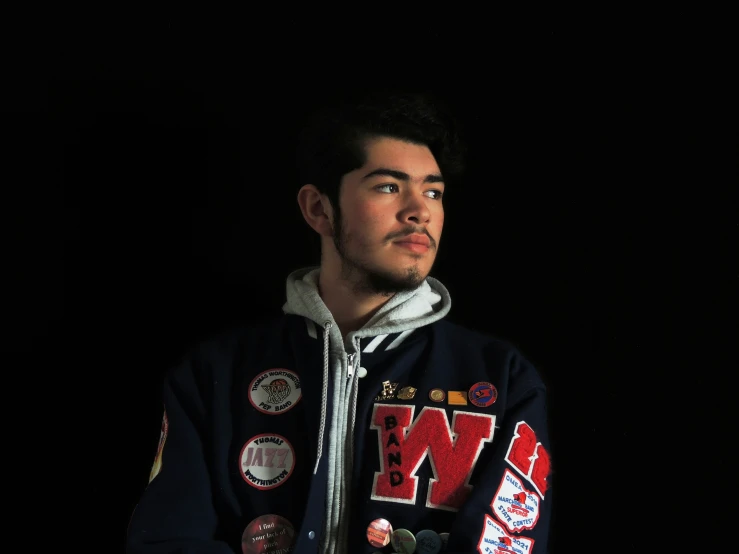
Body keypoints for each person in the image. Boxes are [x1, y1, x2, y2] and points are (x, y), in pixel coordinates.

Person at [125, 90, 553, 554]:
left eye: (433, 191)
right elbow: (168, 540)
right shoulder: (215, 373)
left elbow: (509, 542)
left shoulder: (501, 378)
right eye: (389, 186)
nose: (420, 210)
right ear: (318, 209)